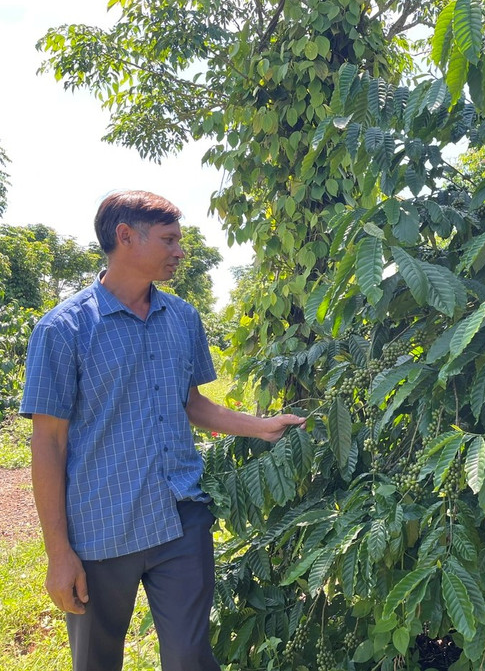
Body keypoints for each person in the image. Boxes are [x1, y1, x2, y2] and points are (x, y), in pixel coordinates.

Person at [20, 190, 305, 671]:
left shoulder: (184, 318)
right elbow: (48, 442)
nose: (181, 251)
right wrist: (58, 552)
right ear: (125, 236)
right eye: (170, 240)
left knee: (190, 657)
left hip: (180, 518)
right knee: (96, 659)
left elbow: (192, 404)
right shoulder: (62, 330)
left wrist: (262, 427)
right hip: (100, 528)